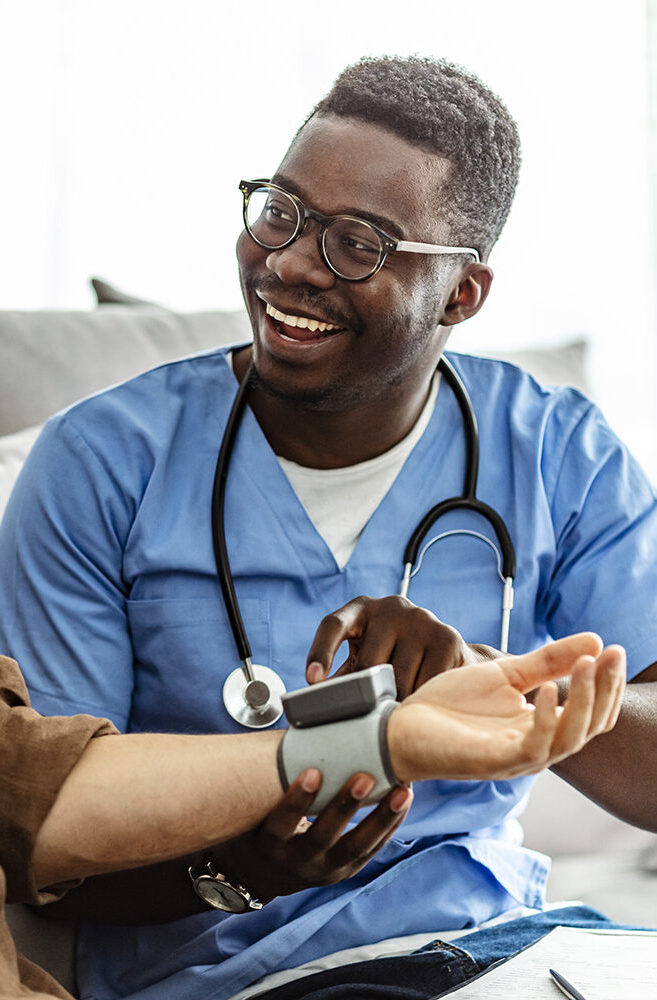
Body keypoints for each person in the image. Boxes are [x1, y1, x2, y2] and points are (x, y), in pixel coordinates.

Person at [0, 53, 656, 999]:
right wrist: (246, 869)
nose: (292, 263)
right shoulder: (103, 463)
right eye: (281, 212)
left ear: (462, 294)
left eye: (359, 244)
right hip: (238, 977)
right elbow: (46, 839)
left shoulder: (555, 449)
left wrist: (487, 684)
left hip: (504, 945)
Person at [0, 627, 624, 998]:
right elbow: (38, 823)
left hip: (512, 933)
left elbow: (30, 786)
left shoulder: (555, 444)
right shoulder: (106, 462)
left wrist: (385, 741)